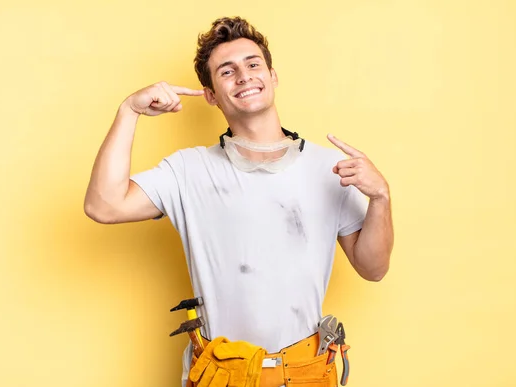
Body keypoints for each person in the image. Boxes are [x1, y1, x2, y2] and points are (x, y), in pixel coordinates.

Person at [84, 16, 393, 387]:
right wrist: (128, 111)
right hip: (223, 375)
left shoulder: (330, 167)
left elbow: (373, 268)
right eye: (227, 71)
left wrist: (380, 197)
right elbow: (104, 206)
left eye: (252, 64)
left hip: (306, 373)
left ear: (273, 76)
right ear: (211, 95)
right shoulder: (188, 169)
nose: (244, 76)